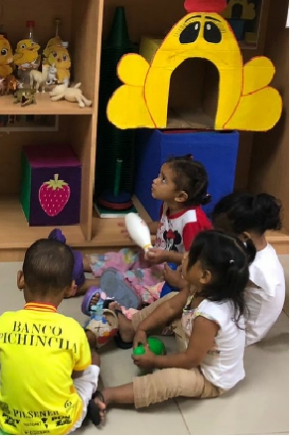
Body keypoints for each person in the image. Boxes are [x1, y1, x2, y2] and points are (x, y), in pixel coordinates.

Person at [100, 230, 252, 412]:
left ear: (205, 276)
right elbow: (171, 307)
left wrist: (154, 361)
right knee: (172, 298)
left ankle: (109, 395)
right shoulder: (199, 288)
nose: (184, 256)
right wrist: (142, 329)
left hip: (207, 377)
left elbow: (190, 360)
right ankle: (130, 328)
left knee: (170, 380)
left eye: (191, 255)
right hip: (194, 342)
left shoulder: (209, 316)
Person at [0, 238, 104, 433]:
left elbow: (1, 368)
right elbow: (75, 373)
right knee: (92, 362)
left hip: (12, 422)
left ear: (20, 279)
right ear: (71, 288)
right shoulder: (73, 329)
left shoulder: (3, 323)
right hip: (63, 424)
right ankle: (87, 403)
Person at [104, 155, 212, 313]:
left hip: (176, 270)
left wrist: (166, 256)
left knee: (134, 277)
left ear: (180, 196)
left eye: (163, 180)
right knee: (126, 256)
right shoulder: (168, 205)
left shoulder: (191, 222)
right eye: (158, 175)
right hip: (160, 257)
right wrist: (142, 228)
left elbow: (195, 259)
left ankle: (94, 288)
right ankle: (81, 265)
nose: (155, 181)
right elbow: (163, 225)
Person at [211, 192, 286, 344]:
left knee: (186, 300)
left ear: (244, 237)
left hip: (241, 335)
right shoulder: (260, 250)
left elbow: (211, 287)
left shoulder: (254, 271)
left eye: (220, 233)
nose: (215, 237)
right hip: (239, 315)